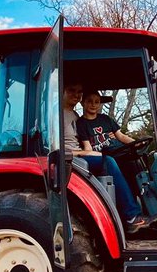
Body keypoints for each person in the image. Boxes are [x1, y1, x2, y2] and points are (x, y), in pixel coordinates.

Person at [63, 82, 151, 233]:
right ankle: (131, 216)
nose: (76, 95)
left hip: (83, 155)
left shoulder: (75, 115)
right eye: (72, 90)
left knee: (131, 163)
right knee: (108, 161)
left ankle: (148, 207)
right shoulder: (57, 115)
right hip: (71, 159)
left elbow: (116, 136)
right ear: (62, 91)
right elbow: (59, 146)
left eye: (79, 91)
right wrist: (86, 153)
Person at [77, 89, 139, 154]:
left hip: (120, 149)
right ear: (82, 103)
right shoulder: (81, 123)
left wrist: (136, 143)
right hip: (105, 156)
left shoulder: (105, 118)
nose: (93, 104)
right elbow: (87, 148)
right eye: (90, 101)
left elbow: (121, 136)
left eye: (97, 102)